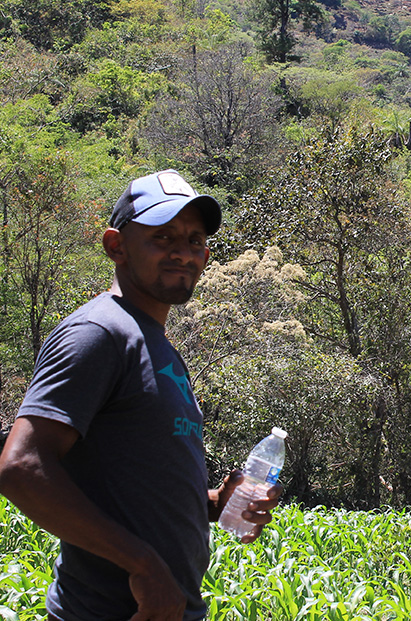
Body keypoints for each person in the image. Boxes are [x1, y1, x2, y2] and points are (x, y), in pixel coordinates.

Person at [0, 169, 281, 621]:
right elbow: (22, 468)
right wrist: (143, 565)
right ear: (117, 247)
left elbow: (132, 485)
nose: (183, 252)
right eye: (163, 237)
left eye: (194, 240)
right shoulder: (98, 333)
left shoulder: (158, 347)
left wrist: (216, 503)